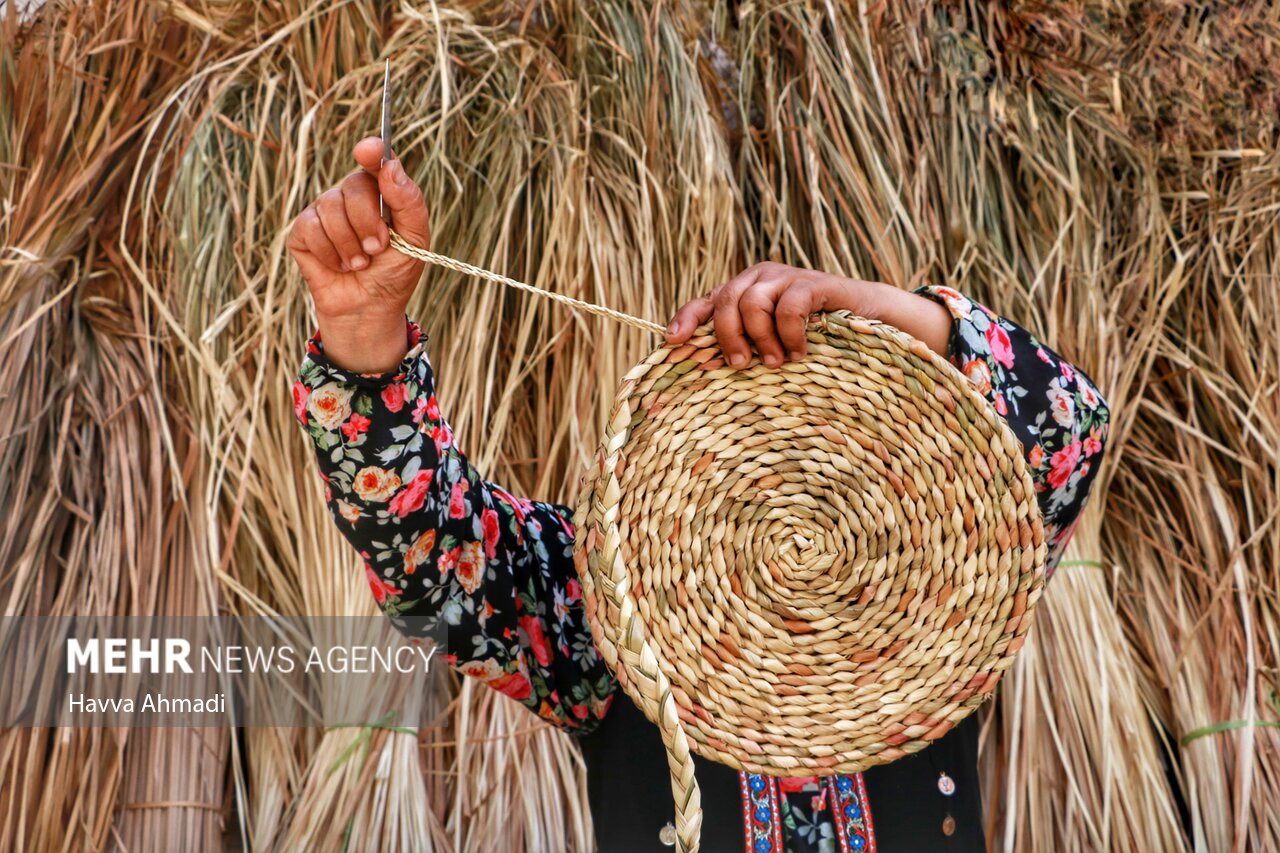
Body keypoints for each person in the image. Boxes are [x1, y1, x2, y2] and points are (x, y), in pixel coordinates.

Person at [287, 138, 1111, 852]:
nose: (788, 506)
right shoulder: (610, 605)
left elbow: (1069, 431)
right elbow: (439, 565)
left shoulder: (942, 598)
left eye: (812, 456)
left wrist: (879, 310)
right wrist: (364, 343)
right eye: (745, 453)